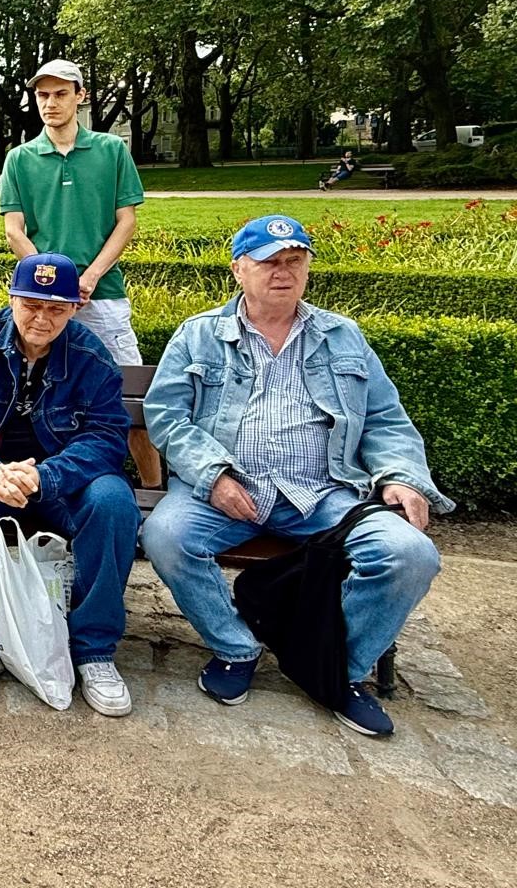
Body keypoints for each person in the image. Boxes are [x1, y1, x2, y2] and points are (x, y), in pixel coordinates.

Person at [142, 215, 451, 737]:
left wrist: (401, 476)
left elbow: (385, 419)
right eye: (268, 261)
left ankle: (332, 669)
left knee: (411, 555)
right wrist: (213, 475)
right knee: (165, 536)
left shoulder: (342, 336)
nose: (282, 272)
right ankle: (235, 648)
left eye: (294, 260)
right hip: (227, 490)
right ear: (239, 269)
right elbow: (167, 417)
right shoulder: (199, 335)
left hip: (327, 492)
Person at [0, 254, 138, 715]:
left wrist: (45, 477)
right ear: (12, 298)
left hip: (61, 486)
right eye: (32, 304)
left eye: (56, 308)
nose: (42, 318)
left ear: (74, 308)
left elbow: (106, 437)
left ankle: (94, 650)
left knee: (113, 499)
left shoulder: (92, 357)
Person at [0, 58, 163, 495]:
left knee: (130, 399)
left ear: (80, 96)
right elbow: (14, 228)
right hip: (40, 301)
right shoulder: (20, 159)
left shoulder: (111, 151)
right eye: (42, 95)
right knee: (40, 399)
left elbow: (125, 221)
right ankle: (52, 492)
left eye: (60, 94)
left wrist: (86, 278)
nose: (50, 104)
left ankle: (153, 489)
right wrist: (51, 286)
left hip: (104, 294)